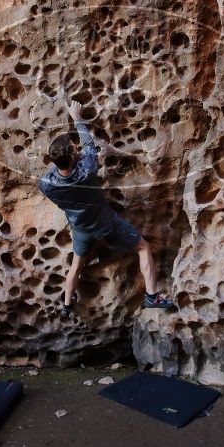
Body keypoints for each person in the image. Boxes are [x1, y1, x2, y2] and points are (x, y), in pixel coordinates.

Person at [39, 98, 175, 317]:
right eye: (73, 149)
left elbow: (68, 161)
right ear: (74, 156)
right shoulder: (87, 170)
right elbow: (90, 147)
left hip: (81, 230)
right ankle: (152, 297)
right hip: (106, 224)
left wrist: (65, 157)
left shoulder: (47, 184)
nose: (76, 148)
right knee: (144, 247)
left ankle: (66, 306)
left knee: (76, 266)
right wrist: (78, 120)